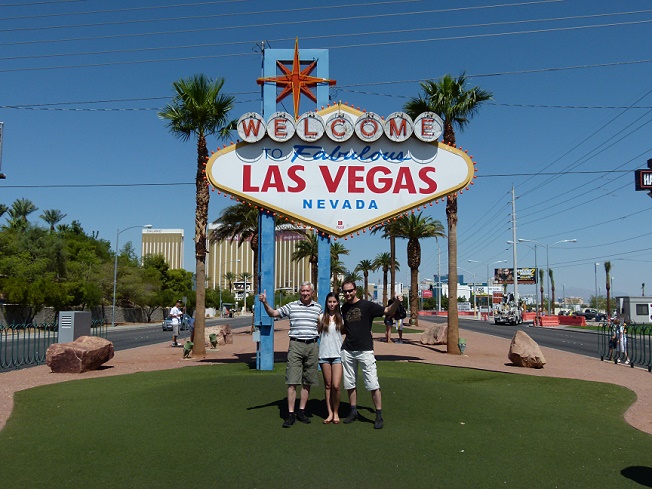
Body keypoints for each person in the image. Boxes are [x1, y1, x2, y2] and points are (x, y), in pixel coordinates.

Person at [340, 279, 402, 430]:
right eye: (345, 291)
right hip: (347, 350)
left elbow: (387, 311)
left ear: (355, 290)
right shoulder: (343, 308)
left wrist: (397, 302)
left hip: (365, 350)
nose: (348, 294)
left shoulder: (367, 305)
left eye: (350, 291)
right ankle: (353, 411)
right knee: (350, 383)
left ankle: (378, 415)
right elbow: (345, 327)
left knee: (373, 384)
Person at [259, 282, 322, 428]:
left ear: (312, 292)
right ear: (300, 292)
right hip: (296, 345)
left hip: (312, 345)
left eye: (307, 291)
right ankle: (291, 414)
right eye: (302, 291)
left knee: (308, 381)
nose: (305, 293)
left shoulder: (318, 308)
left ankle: (302, 411)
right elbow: (273, 314)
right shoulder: (292, 306)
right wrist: (265, 302)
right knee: (292, 381)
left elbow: (323, 324)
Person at [318, 292, 344, 424]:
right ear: (326, 303)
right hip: (324, 355)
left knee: (336, 385)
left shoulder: (341, 318)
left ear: (338, 303)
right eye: (329, 302)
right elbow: (317, 333)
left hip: (338, 355)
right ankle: (329, 413)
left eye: (334, 302)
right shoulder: (321, 317)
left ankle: (336, 411)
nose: (332, 304)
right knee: (328, 385)